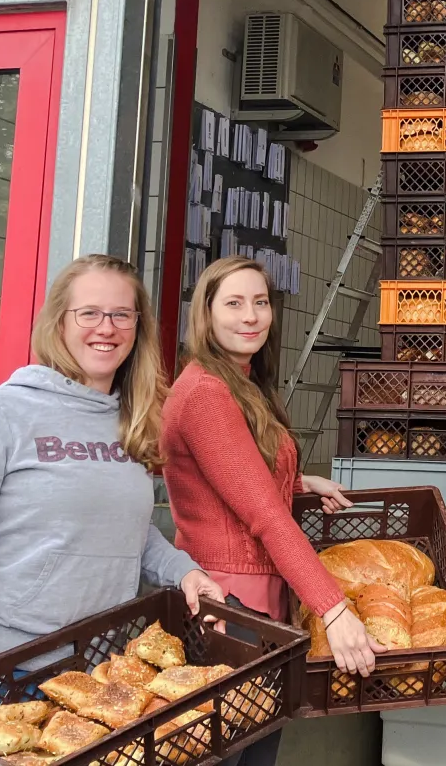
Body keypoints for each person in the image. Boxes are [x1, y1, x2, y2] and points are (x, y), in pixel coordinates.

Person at [0, 254, 223, 746]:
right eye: (89, 312)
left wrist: (185, 572)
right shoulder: (0, 413)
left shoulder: (131, 420)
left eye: (121, 314)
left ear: (138, 328)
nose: (107, 327)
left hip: (93, 675)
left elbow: (127, 529)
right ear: (59, 322)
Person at [160, 256, 383, 765]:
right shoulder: (206, 393)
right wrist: (334, 610)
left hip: (255, 605)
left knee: (254, 752)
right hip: (227, 608)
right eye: (234, 303)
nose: (251, 316)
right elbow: (264, 516)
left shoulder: (239, 382)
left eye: (260, 302)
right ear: (206, 314)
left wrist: (297, 482)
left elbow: (232, 477)